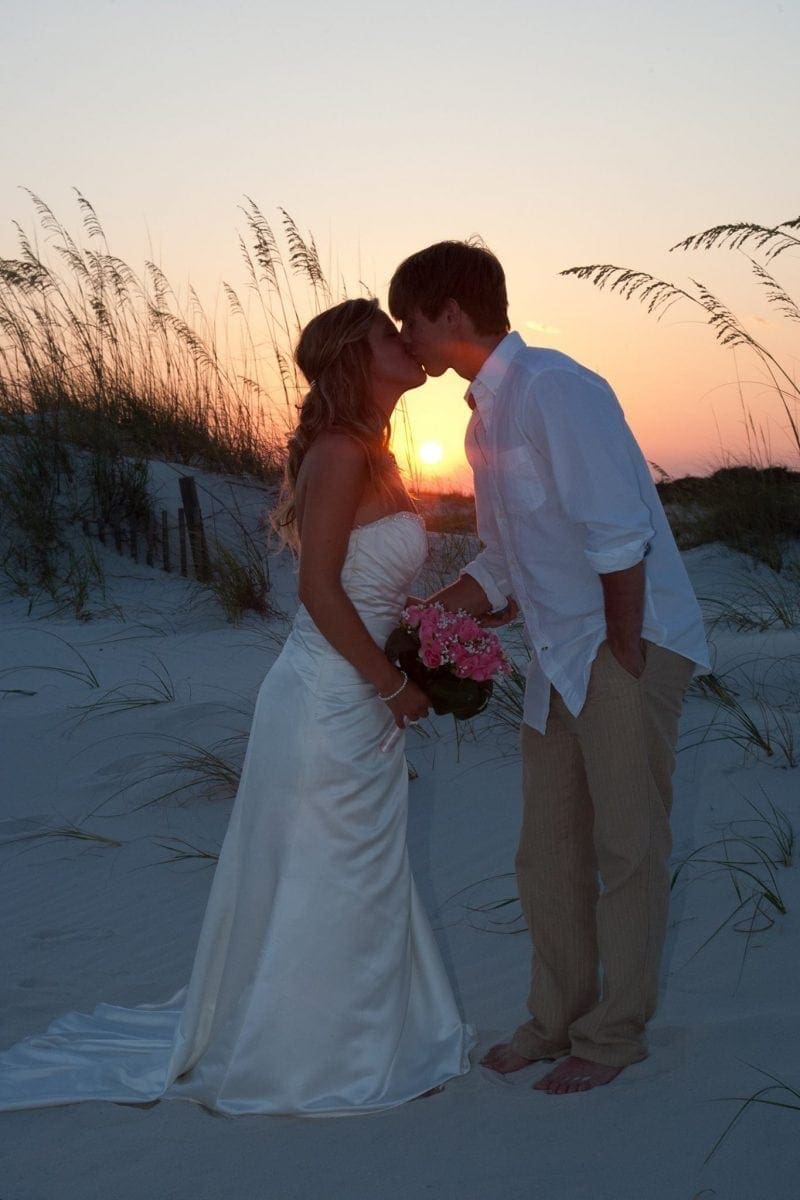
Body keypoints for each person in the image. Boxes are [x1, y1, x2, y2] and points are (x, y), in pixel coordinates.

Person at [0, 297, 474, 1116]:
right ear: (355, 362)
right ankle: (314, 1057)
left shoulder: (374, 451)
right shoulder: (337, 453)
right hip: (329, 695)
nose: (405, 342)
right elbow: (319, 592)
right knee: (339, 867)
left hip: (352, 690)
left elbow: (369, 585)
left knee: (356, 866)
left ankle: (364, 1033)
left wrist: (433, 635)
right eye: (386, 336)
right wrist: (395, 686)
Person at [389, 241, 709, 1095]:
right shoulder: (481, 419)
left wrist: (626, 650)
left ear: (450, 312)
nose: (406, 337)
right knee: (548, 851)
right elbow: (504, 557)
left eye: (409, 319)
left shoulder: (557, 388)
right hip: (562, 655)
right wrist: (432, 615)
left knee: (629, 844)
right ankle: (555, 1020)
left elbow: (617, 531)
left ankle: (612, 1037)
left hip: (620, 643)